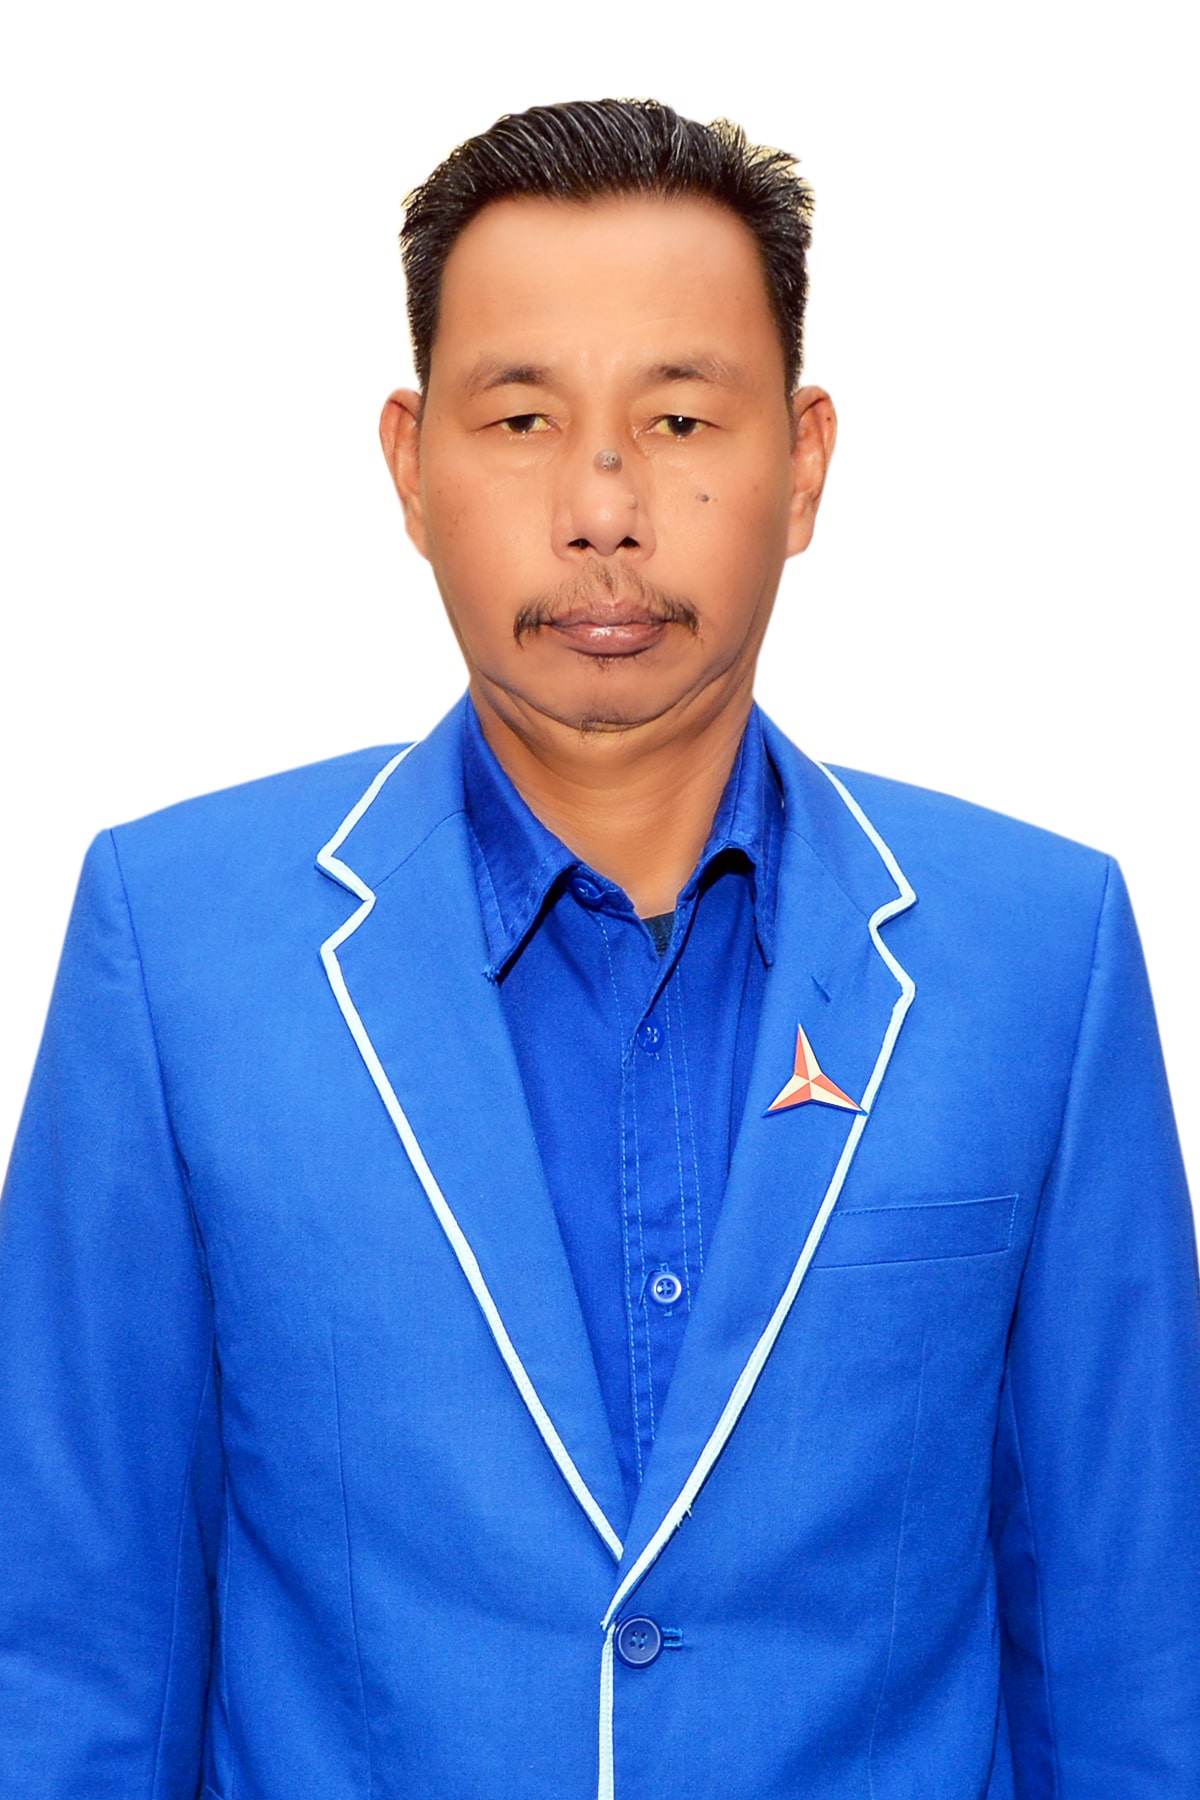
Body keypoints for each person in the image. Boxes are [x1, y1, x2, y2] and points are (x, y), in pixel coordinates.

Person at [1, 96, 1197, 1800]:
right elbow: (70, 1660)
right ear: (411, 465)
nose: (603, 504)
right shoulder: (177, 945)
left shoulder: (1039, 956)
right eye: (522, 418)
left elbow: (1135, 1664)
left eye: (681, 417)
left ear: (806, 462)